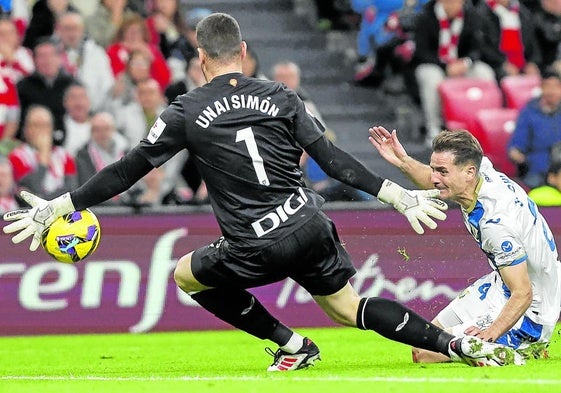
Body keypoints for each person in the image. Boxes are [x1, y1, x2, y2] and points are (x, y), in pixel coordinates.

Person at [2, 12, 523, 371]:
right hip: (309, 224)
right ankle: (455, 346)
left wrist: (61, 204)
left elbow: (127, 169)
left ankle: (290, 344)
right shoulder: (281, 94)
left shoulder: (186, 110)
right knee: (349, 309)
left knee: (186, 274)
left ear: (201, 57)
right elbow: (333, 161)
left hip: (253, 244)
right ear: (244, 54)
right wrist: (397, 195)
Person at [369, 126, 561, 362]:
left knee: (425, 354)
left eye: (442, 172)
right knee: (424, 338)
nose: (435, 178)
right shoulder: (483, 171)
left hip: (531, 310)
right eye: (434, 169)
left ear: (469, 172)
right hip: (500, 285)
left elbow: (523, 293)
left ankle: (521, 348)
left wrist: (490, 334)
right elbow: (433, 182)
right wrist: (403, 160)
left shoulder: (495, 224)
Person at [412, 0, 496, 145]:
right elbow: (420, 51)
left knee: (485, 73)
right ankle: (434, 128)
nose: (451, 6)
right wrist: (445, 66)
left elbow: (478, 47)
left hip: (463, 65)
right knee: (432, 78)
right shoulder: (425, 16)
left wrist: (466, 62)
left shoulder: (472, 16)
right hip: (435, 65)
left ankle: (487, 125)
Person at [7, 105, 77, 199]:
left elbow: (72, 189)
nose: (41, 130)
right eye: (36, 125)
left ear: (52, 129)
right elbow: (30, 190)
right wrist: (43, 159)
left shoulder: (65, 156)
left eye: (45, 125)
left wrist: (48, 202)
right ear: (26, 129)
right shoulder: (17, 157)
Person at [508, 68, 561, 188]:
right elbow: (516, 147)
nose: (551, 91)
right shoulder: (529, 112)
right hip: (537, 170)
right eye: (548, 86)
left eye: (556, 87)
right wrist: (517, 155)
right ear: (541, 88)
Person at [54, 11, 115, 112]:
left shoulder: (97, 53)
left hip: (93, 112)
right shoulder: (50, 53)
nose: (71, 33)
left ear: (83, 31)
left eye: (75, 28)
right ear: (58, 30)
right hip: (59, 113)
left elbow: (107, 87)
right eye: (67, 28)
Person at [477, 0, 541, 82]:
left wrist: (532, 62)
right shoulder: (482, 12)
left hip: (521, 62)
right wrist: (502, 63)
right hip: (495, 63)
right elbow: (482, 46)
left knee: (536, 76)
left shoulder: (523, 13)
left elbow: (532, 43)